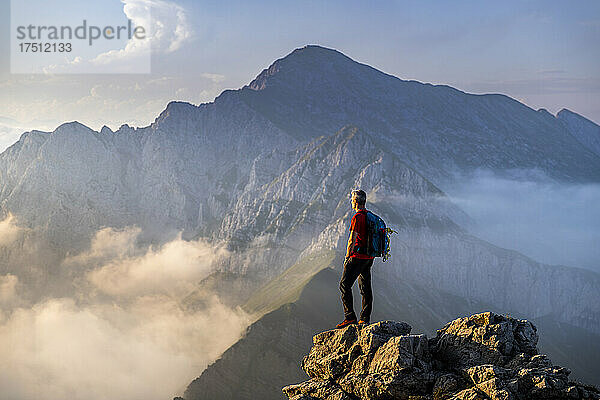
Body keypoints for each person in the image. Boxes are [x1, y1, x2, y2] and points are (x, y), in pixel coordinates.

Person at [336, 189, 375, 329]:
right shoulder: (370, 216)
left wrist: (347, 257)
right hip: (369, 257)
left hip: (357, 257)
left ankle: (349, 317)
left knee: (344, 285)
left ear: (356, 201)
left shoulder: (357, 217)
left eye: (352, 200)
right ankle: (364, 319)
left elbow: (352, 239)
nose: (351, 202)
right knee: (365, 288)